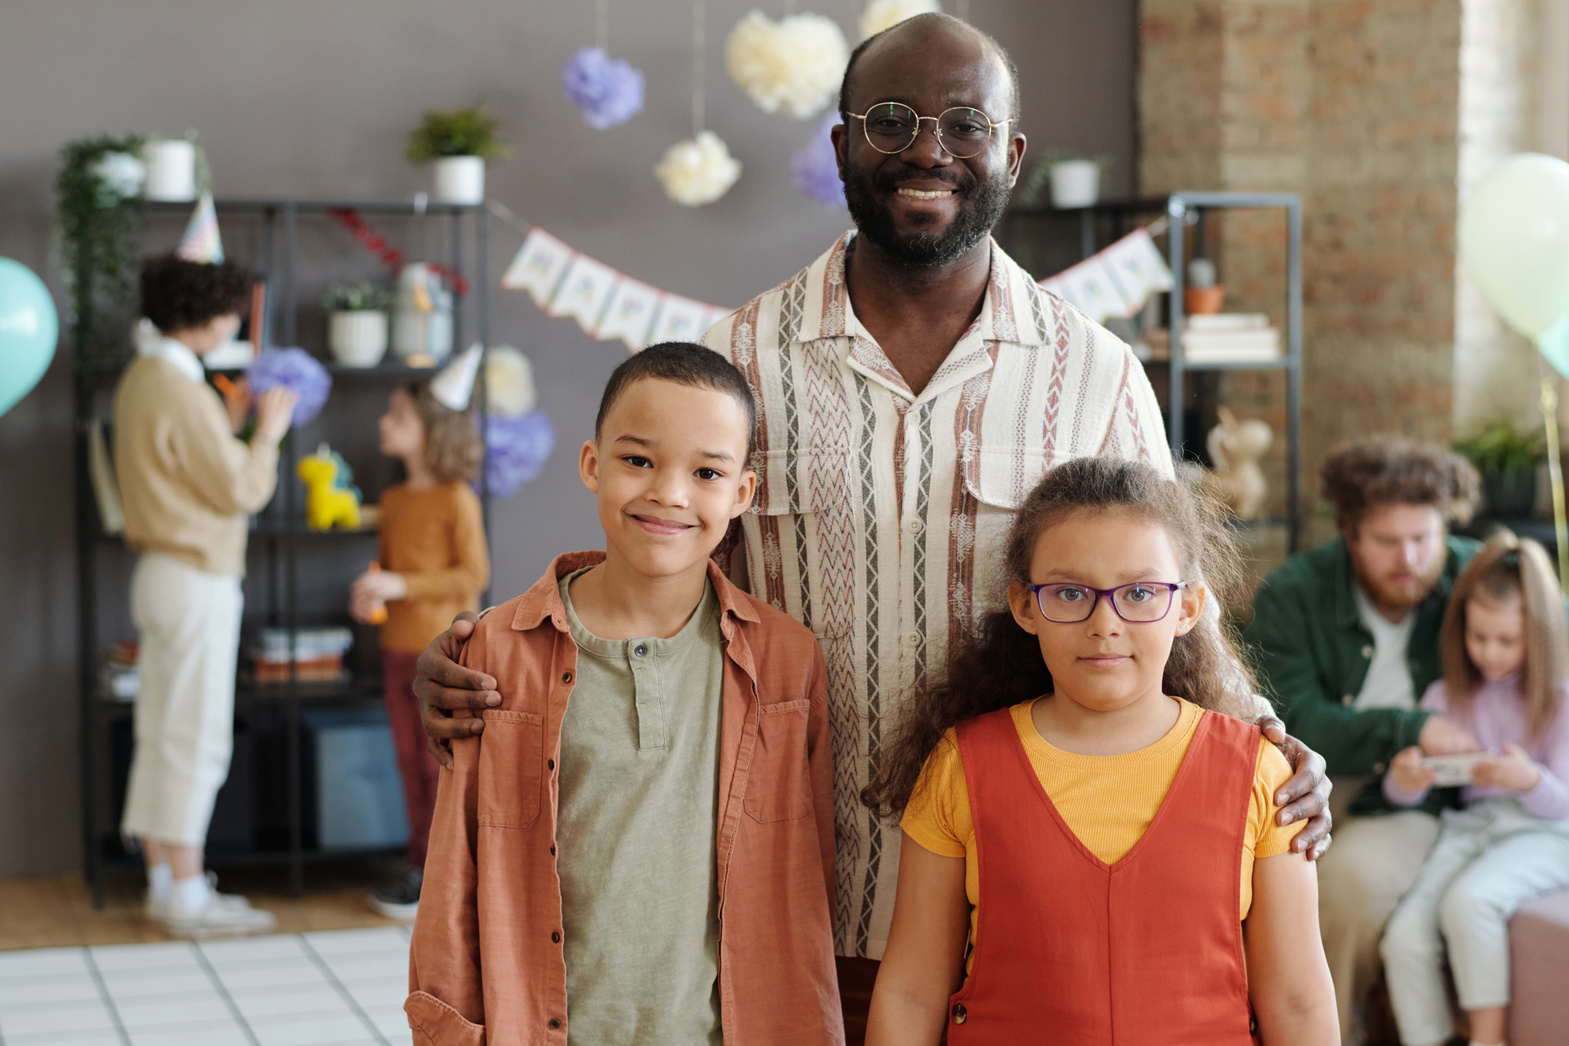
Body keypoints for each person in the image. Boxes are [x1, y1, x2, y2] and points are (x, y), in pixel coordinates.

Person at [412, 12, 1330, 1029]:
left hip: (1023, 915)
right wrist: (496, 654)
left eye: (966, 123)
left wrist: (1270, 745)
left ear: (1011, 154)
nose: (928, 148)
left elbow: (1161, 601)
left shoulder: (1096, 375)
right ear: (842, 144)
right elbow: (662, 559)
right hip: (783, 910)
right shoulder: (741, 358)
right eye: (891, 119)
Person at [407, 344, 842, 1045]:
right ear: (591, 464)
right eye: (638, 460)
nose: (669, 492)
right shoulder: (498, 652)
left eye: (705, 472)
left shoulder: (786, 661)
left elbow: (806, 876)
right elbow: (454, 875)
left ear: (741, 495)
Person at [860, 457, 1337, 1045]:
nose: (1104, 622)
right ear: (1025, 605)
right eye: (1069, 592)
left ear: (1187, 608)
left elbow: (1297, 1002)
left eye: (1139, 592)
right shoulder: (962, 767)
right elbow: (910, 992)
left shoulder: (1260, 775)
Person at [1244, 437, 1484, 1042]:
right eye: (1386, 541)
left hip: (1416, 794)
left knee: (1344, 888)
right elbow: (1291, 719)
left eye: (1423, 538)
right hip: (1304, 780)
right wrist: (1410, 727)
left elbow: (1543, 640)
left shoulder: (1477, 575)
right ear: (1350, 533)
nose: (1409, 558)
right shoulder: (1295, 591)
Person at [114, 253, 298, 934]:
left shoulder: (145, 377)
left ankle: (166, 878)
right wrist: (268, 434)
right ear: (209, 314)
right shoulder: (178, 385)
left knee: (160, 727)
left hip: (162, 572)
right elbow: (241, 489)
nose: (232, 324)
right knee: (193, 734)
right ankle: (187, 892)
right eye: (230, 312)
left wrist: (228, 424)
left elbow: (192, 470)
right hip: (196, 577)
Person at [1378, 532, 1569, 1046]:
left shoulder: (1559, 699)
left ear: (1540, 636)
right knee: (1404, 938)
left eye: (1507, 641)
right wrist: (1405, 778)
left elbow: (1563, 803)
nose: (1489, 653)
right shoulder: (1445, 694)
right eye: (1477, 637)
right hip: (1469, 830)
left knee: (1469, 902)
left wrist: (1527, 778)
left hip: (1545, 831)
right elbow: (1410, 794)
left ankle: (1488, 1039)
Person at [350, 379, 488, 920]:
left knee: (440, 766)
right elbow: (391, 571)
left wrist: (401, 585)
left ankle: (447, 877)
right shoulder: (393, 500)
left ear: (433, 433)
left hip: (444, 655)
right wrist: (373, 592)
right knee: (408, 762)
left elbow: (474, 574)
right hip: (394, 650)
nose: (385, 423)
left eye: (400, 416)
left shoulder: (457, 498)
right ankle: (423, 867)